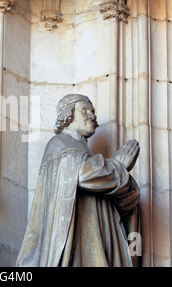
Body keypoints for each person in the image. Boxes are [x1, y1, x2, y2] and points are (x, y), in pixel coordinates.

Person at [16, 94, 141, 267]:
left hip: (95, 236)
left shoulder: (89, 156)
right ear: (68, 116)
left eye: (93, 112)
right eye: (85, 111)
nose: (92, 116)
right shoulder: (59, 144)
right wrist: (119, 166)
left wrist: (127, 184)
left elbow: (122, 202)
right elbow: (83, 175)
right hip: (77, 241)